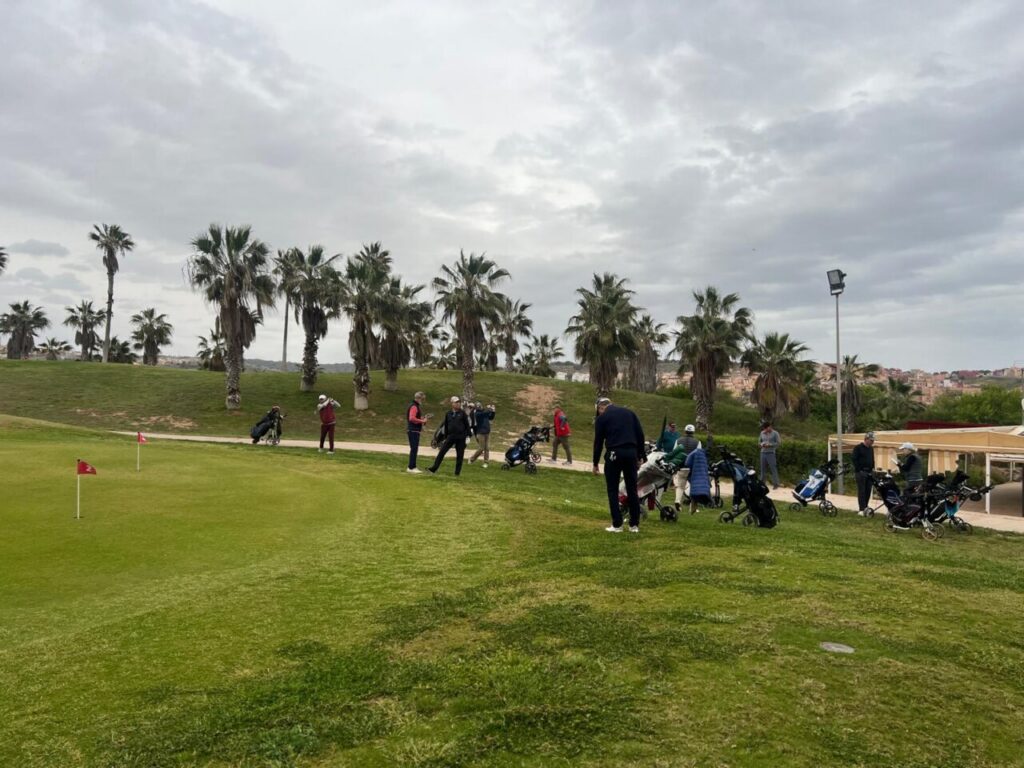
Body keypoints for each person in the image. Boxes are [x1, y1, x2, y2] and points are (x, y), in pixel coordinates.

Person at [593, 397, 646, 533]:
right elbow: (640, 435)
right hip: (631, 453)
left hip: (614, 453)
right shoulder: (629, 413)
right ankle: (634, 525)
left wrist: (595, 463)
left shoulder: (602, 418)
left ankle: (617, 524)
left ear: (600, 408)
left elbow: (598, 443)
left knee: (612, 489)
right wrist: (641, 456)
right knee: (632, 488)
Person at [426, 396, 473, 476]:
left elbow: (467, 425)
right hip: (450, 437)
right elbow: (446, 426)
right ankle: (434, 468)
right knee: (442, 452)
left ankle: (457, 473)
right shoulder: (448, 414)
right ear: (452, 404)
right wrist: (445, 437)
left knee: (460, 455)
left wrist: (468, 436)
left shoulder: (462, 413)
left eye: (459, 402)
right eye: (456, 402)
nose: (458, 404)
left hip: (461, 437)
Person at [672, 424, 701, 513]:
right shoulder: (697, 442)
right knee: (693, 487)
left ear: (685, 431)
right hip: (692, 468)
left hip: (681, 467)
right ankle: (692, 508)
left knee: (680, 486)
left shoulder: (678, 440)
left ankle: (677, 501)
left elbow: (674, 453)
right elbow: (698, 456)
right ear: (693, 432)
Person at [852, 431, 876, 516]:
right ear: (866, 439)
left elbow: (872, 459)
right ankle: (861, 508)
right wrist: (859, 470)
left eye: (873, 441)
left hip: (869, 472)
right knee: (861, 491)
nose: (872, 442)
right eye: (871, 440)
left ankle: (865, 506)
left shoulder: (871, 449)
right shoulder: (858, 448)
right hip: (861, 472)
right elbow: (854, 459)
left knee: (868, 490)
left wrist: (873, 468)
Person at [406, 391, 430, 473]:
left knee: (414, 449)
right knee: (414, 449)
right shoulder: (414, 406)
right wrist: (422, 420)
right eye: (422, 399)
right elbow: (412, 418)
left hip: (414, 430)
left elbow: (414, 418)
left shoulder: (415, 406)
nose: (422, 401)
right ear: (419, 398)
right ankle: (411, 467)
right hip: (413, 430)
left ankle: (412, 466)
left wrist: (421, 419)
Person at [684, 444, 712, 514]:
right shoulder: (704, 456)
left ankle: (693, 508)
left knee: (694, 493)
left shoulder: (693, 453)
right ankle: (705, 503)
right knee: (702, 490)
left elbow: (687, 463)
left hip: (695, 474)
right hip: (704, 477)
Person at [469, 401, 496, 467]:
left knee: (487, 448)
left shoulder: (484, 412)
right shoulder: (477, 414)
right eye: (478, 406)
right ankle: (472, 459)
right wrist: (489, 409)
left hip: (487, 432)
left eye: (480, 406)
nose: (479, 407)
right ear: (476, 408)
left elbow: (491, 417)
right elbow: (485, 414)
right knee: (481, 448)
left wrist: (493, 411)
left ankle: (486, 462)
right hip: (480, 433)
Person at [758, 419, 781, 489]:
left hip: (771, 453)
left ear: (770, 427)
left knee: (773, 468)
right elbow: (759, 441)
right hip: (763, 452)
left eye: (766, 428)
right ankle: (762, 483)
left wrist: (770, 445)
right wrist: (761, 444)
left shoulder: (775, 433)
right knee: (763, 469)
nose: (765, 429)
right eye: (764, 428)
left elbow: (778, 443)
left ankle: (776, 483)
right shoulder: (762, 433)